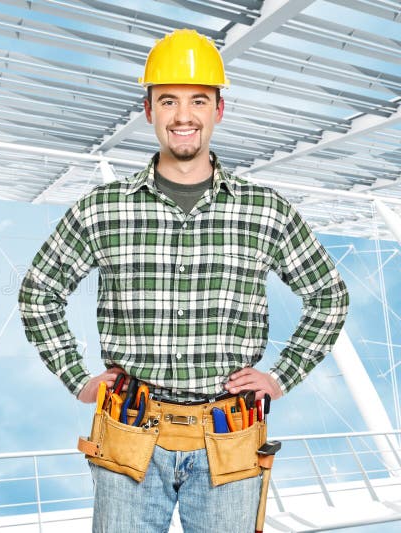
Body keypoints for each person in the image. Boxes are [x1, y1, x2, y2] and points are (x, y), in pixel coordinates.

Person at [18, 29, 349, 532]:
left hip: (230, 445)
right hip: (128, 438)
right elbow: (39, 290)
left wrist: (282, 376)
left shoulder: (266, 211)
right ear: (148, 110)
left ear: (220, 109)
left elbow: (328, 295)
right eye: (167, 100)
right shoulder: (102, 208)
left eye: (199, 100)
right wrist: (75, 377)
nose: (183, 116)